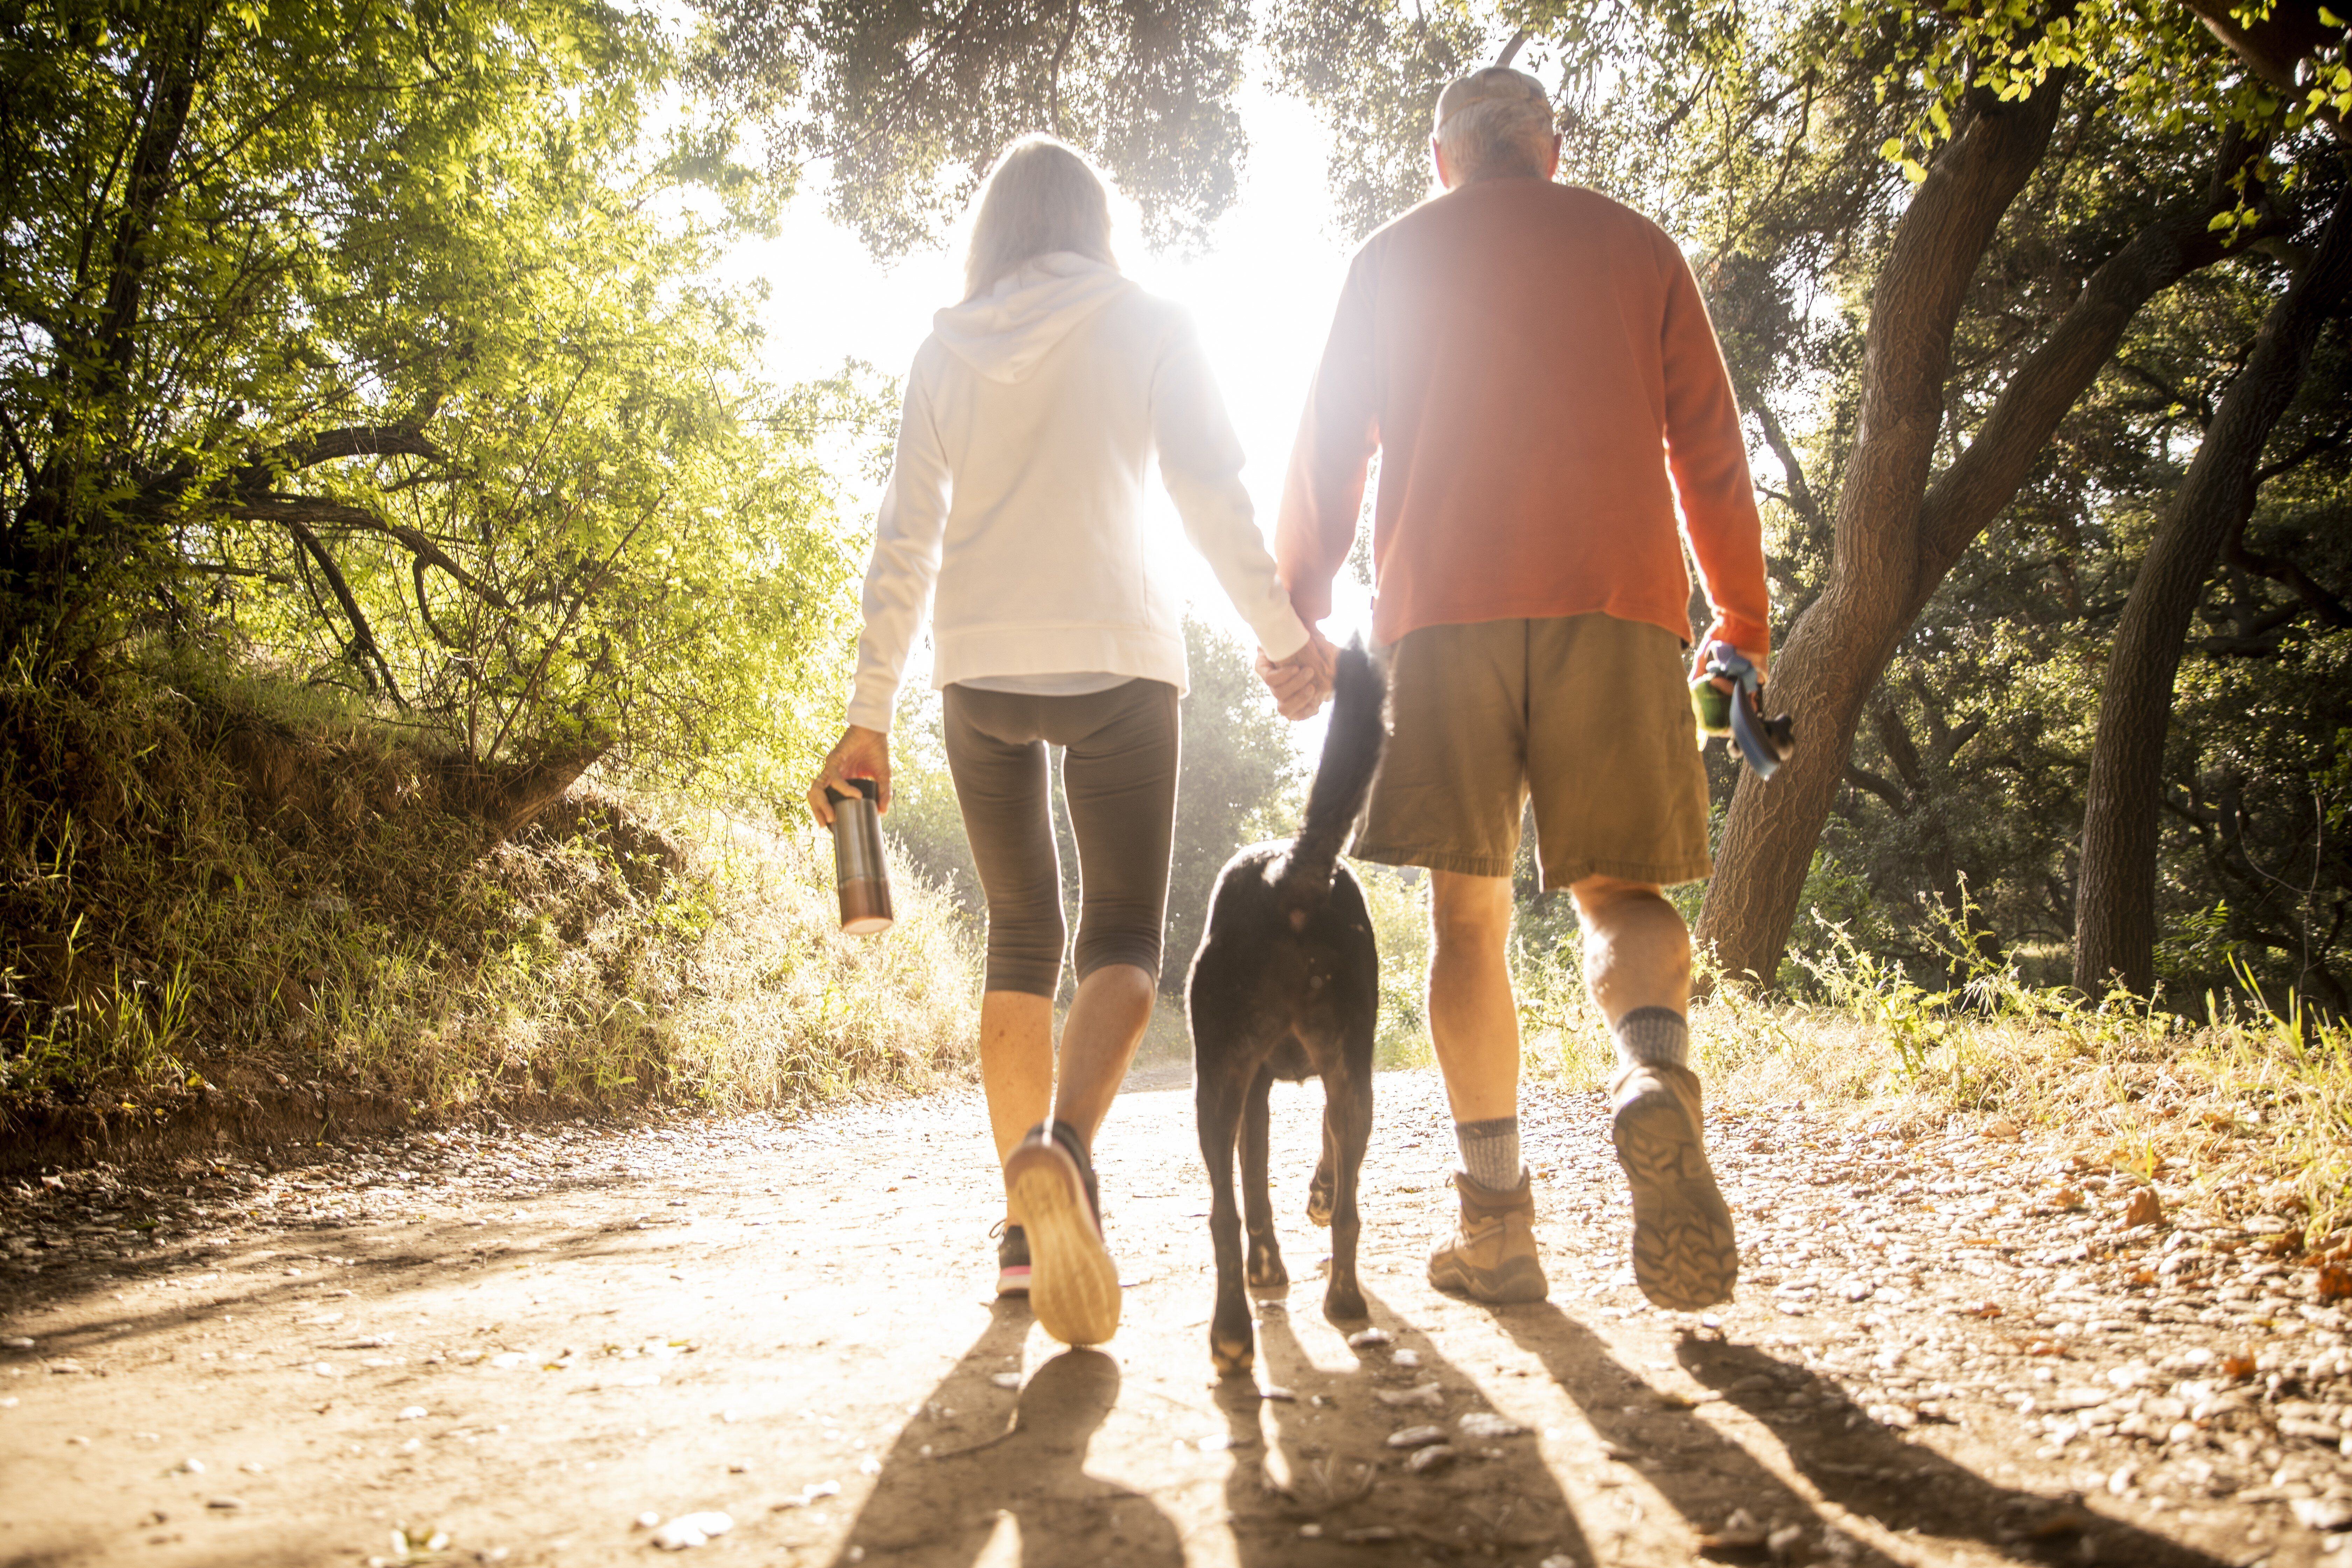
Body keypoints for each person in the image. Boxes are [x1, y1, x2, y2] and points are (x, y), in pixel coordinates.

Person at [1264, 67, 1771, 1312]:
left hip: (1443, 611)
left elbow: (1328, 447)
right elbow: (1709, 444)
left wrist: (1297, 614)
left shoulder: (1391, 257)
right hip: (1621, 598)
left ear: (1443, 160)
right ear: (1550, 148)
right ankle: (1654, 1075)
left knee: (1468, 921)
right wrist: (1739, 616)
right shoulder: (1638, 246)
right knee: (1623, 892)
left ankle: (1500, 1227)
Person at [807, 135, 1319, 1348]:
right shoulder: (1151, 320)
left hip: (979, 671)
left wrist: (869, 712)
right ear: (1101, 220)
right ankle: (1066, 1154)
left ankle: (1023, 1243)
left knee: (1019, 937)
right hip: (1120, 659)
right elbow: (1208, 493)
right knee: (1125, 936)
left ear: (992, 229)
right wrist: (1284, 637)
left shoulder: (945, 347)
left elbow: (902, 542)